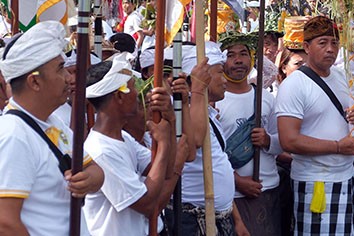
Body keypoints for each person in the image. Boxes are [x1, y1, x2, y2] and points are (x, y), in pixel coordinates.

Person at [0, 21, 105, 235]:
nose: (68, 78)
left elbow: (95, 170)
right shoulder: (14, 135)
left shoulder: (52, 122)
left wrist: (88, 180)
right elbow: (5, 222)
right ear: (34, 82)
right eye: (60, 69)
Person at [275, 16, 354, 235]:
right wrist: (338, 147)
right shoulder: (294, 85)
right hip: (315, 181)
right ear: (307, 47)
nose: (330, 49)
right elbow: (288, 140)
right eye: (322, 42)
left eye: (334, 43)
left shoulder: (343, 78)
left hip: (346, 177)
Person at [82, 53, 183, 235]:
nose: (138, 94)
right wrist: (163, 145)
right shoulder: (101, 151)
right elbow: (146, 203)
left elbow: (167, 170)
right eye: (132, 88)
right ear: (119, 97)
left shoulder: (123, 138)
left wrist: (171, 120)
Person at [175, 42, 250, 236]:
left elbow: (218, 164)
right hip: (195, 218)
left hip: (220, 216)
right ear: (203, 76)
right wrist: (198, 90)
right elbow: (196, 140)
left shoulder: (209, 113)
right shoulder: (181, 111)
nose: (225, 80)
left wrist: (237, 220)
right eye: (220, 73)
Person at [217, 32, 284, 236]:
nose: (238, 60)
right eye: (230, 55)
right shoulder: (215, 101)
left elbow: (282, 141)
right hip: (233, 196)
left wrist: (267, 140)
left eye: (243, 54)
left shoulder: (266, 98)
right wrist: (237, 181)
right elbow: (210, 155)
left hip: (268, 189)